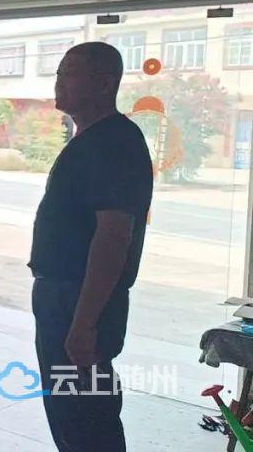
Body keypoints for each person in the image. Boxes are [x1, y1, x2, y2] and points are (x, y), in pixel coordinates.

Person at [29, 42, 153, 452]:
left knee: (85, 415)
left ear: (103, 83)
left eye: (70, 72)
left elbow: (113, 237)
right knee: (71, 412)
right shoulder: (91, 139)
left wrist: (83, 324)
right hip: (63, 297)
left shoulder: (114, 142)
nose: (59, 81)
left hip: (80, 301)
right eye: (59, 72)